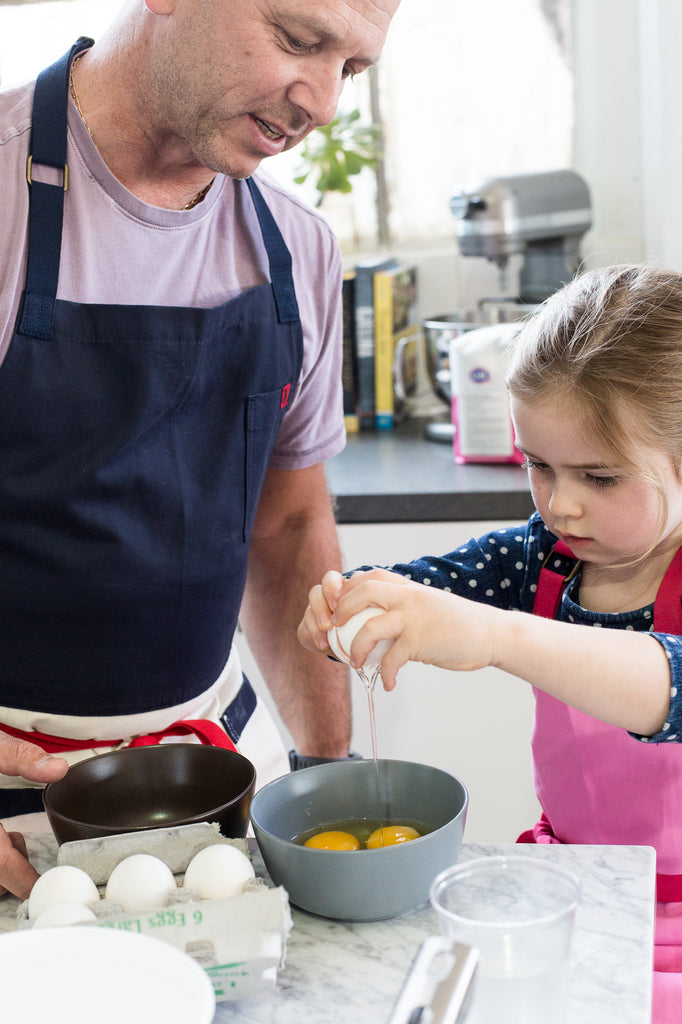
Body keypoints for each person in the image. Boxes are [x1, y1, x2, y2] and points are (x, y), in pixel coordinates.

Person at [0, 0, 400, 899]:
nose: (325, 101)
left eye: (354, 67)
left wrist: (328, 785)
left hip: (212, 786)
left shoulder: (294, 249)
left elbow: (289, 525)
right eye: (299, 40)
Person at [299, 264, 682, 1022]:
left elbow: (665, 686)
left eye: (600, 477)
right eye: (539, 465)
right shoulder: (548, 552)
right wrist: (361, 598)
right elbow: (429, 586)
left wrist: (497, 635)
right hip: (575, 879)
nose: (561, 503)